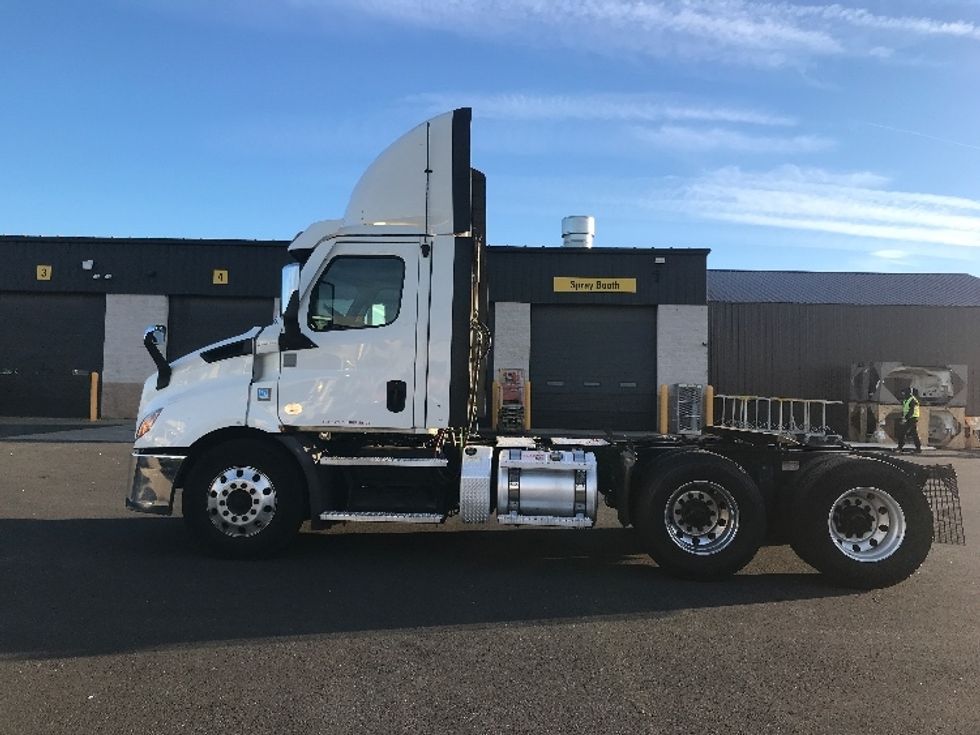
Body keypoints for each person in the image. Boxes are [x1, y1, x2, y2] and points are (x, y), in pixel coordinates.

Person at [896, 387, 921, 453]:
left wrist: (905, 418)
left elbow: (911, 411)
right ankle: (900, 447)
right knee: (905, 432)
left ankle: (918, 448)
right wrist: (903, 416)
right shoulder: (906, 400)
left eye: (904, 393)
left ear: (908, 393)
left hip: (912, 418)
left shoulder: (912, 400)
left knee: (910, 433)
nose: (903, 394)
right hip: (908, 418)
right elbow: (905, 410)